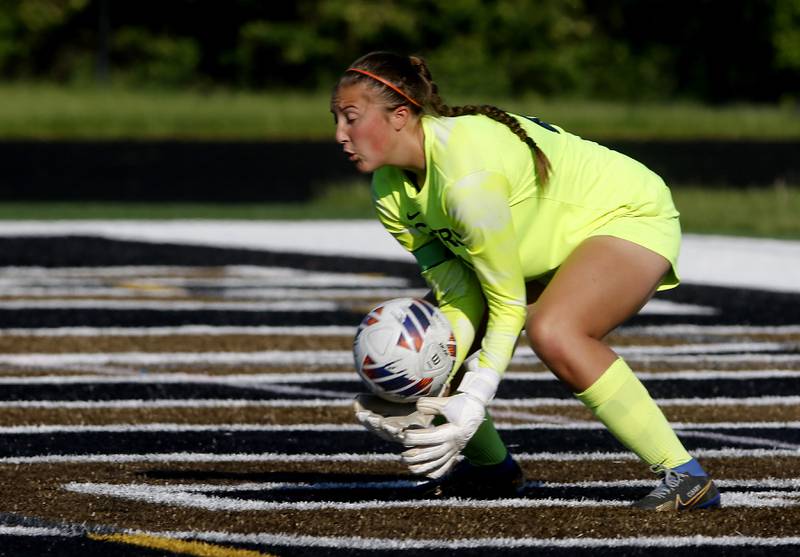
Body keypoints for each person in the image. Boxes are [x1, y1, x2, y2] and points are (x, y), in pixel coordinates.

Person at [333, 51, 720, 511]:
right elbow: (457, 292)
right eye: (336, 118)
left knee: (555, 331)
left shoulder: (466, 180)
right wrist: (424, 374)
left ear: (400, 116)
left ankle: (686, 477)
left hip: (626, 214)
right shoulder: (389, 191)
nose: (339, 134)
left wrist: (474, 394)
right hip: (543, 244)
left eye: (351, 118)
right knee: (436, 344)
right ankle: (493, 469)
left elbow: (506, 301)